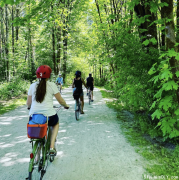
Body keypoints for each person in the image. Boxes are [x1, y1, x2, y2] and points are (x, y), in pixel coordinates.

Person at [26, 65, 69, 155]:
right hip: (49, 115)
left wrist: (29, 107)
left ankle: (37, 156)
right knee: (55, 123)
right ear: (49, 75)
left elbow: (28, 103)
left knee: (38, 129)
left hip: (34, 115)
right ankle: (52, 146)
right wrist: (65, 105)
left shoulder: (32, 86)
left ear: (37, 75)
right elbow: (60, 100)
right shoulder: (52, 85)